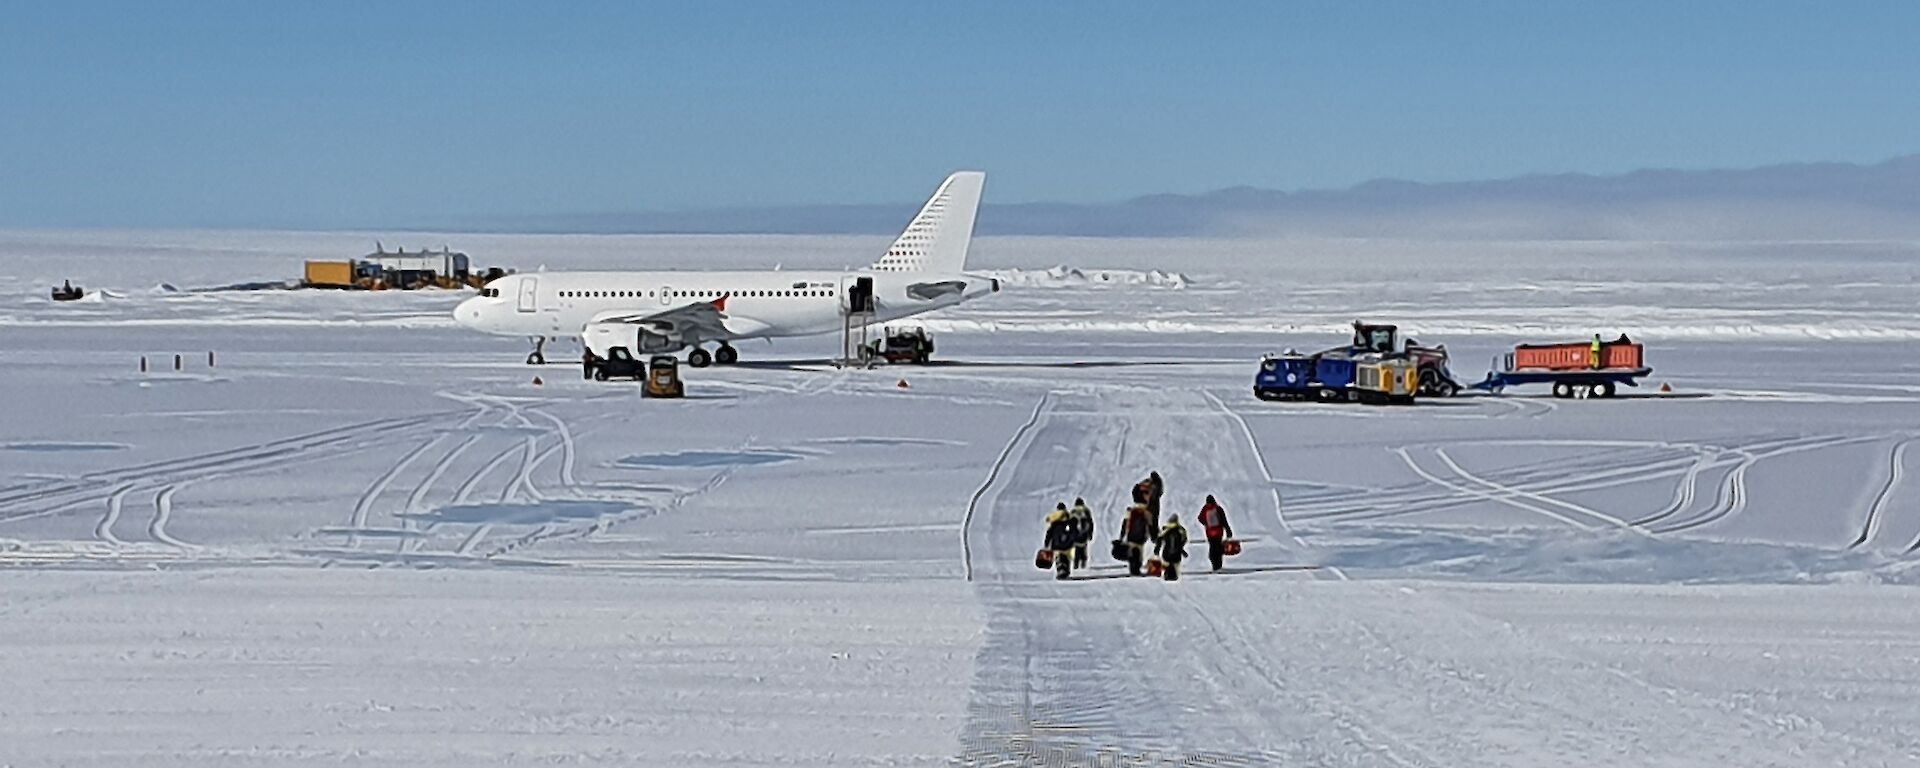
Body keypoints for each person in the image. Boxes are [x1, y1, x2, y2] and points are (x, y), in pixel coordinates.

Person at [1197, 494, 1234, 572]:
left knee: (1213, 548)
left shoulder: (1205, 508)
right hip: (1218, 532)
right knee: (1218, 548)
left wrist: (1206, 524)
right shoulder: (1218, 508)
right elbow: (1224, 520)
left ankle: (1214, 564)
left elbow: (1200, 518)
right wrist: (1228, 530)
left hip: (1210, 533)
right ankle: (1218, 565)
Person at [1119, 502, 1156, 576]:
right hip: (1141, 538)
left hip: (1131, 537)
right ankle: (1137, 569)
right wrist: (1153, 537)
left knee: (1132, 554)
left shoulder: (1130, 512)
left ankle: (1132, 569)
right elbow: (1150, 526)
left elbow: (1125, 524)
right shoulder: (1146, 513)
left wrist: (1122, 536)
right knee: (1139, 554)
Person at [1044, 503, 1076, 580]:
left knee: (1059, 559)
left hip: (1056, 544)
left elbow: (1049, 534)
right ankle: (1066, 570)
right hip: (1068, 544)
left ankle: (1060, 571)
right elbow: (1074, 532)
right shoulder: (1069, 521)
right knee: (1067, 559)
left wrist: (1047, 544)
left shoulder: (1054, 524)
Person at [1156, 514, 1189, 581]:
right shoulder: (1181, 530)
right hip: (1177, 555)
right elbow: (1184, 540)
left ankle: (1167, 573)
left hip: (1166, 554)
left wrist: (1157, 549)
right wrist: (1182, 551)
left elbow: (1159, 539)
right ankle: (1174, 575)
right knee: (1175, 565)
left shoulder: (1166, 529)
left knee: (1167, 564)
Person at [1068, 497, 1094, 569]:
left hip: (1074, 535)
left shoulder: (1073, 511)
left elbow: (1069, 524)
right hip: (1084, 534)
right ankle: (1083, 564)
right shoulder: (1086, 511)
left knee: (1076, 549)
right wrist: (1090, 533)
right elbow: (1090, 523)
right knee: (1083, 549)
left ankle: (1075, 565)